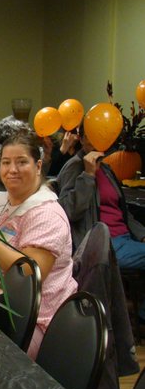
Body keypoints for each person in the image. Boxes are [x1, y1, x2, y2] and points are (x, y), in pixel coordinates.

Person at [0, 132, 77, 359]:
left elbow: (29, 274)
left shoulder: (47, 214)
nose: (12, 170)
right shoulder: (0, 203)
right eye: (6, 163)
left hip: (25, 319)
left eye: (21, 162)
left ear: (38, 166)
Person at [56, 126, 145, 321]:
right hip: (103, 243)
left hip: (125, 238)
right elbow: (69, 210)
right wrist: (88, 175)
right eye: (90, 136)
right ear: (81, 138)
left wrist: (141, 234)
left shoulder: (106, 167)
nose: (96, 140)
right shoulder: (75, 166)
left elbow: (123, 211)